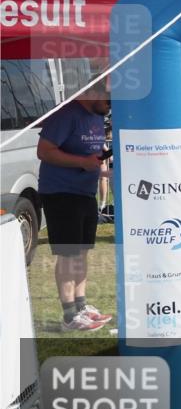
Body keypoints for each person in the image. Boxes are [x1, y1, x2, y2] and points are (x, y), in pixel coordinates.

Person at [36, 83, 114, 331]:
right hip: (61, 192)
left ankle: (81, 306)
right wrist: (81, 161)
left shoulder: (96, 116)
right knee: (69, 253)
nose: (110, 107)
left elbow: (94, 151)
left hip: (84, 192)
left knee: (81, 253)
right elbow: (44, 151)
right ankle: (69, 315)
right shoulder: (66, 114)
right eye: (109, 101)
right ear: (94, 92)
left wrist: (103, 168)